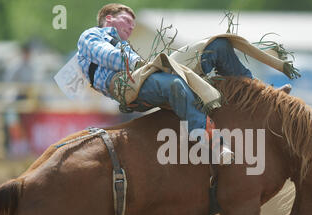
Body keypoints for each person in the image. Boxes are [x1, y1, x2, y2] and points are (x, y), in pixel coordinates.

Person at [77, 3, 290, 164]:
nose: (132, 26)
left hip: (146, 71)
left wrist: (151, 63)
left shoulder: (126, 45)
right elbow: (106, 55)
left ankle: (263, 97)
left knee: (217, 45)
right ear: (109, 17)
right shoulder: (91, 36)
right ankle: (213, 143)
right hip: (124, 85)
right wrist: (141, 62)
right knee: (174, 85)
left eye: (134, 22)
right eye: (127, 20)